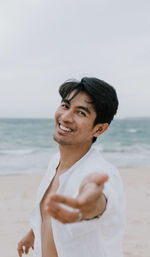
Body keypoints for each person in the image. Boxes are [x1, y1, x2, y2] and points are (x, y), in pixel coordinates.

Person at [17, 77, 125, 257]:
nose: (65, 117)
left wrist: (87, 207)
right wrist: (33, 233)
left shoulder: (101, 173)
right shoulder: (55, 161)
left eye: (80, 113)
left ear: (98, 129)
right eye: (65, 106)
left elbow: (98, 200)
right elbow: (48, 213)